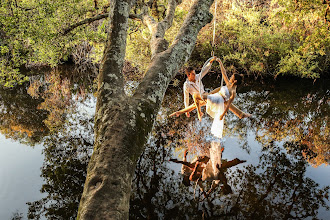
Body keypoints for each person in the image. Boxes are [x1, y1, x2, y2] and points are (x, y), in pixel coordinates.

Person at [169, 57, 250, 121]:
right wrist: (186, 110)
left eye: (195, 73)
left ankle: (240, 114)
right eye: (193, 74)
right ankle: (240, 114)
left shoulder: (198, 76)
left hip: (205, 94)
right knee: (195, 103)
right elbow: (186, 98)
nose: (195, 75)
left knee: (222, 94)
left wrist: (211, 61)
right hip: (202, 98)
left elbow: (205, 70)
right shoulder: (186, 85)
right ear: (188, 75)